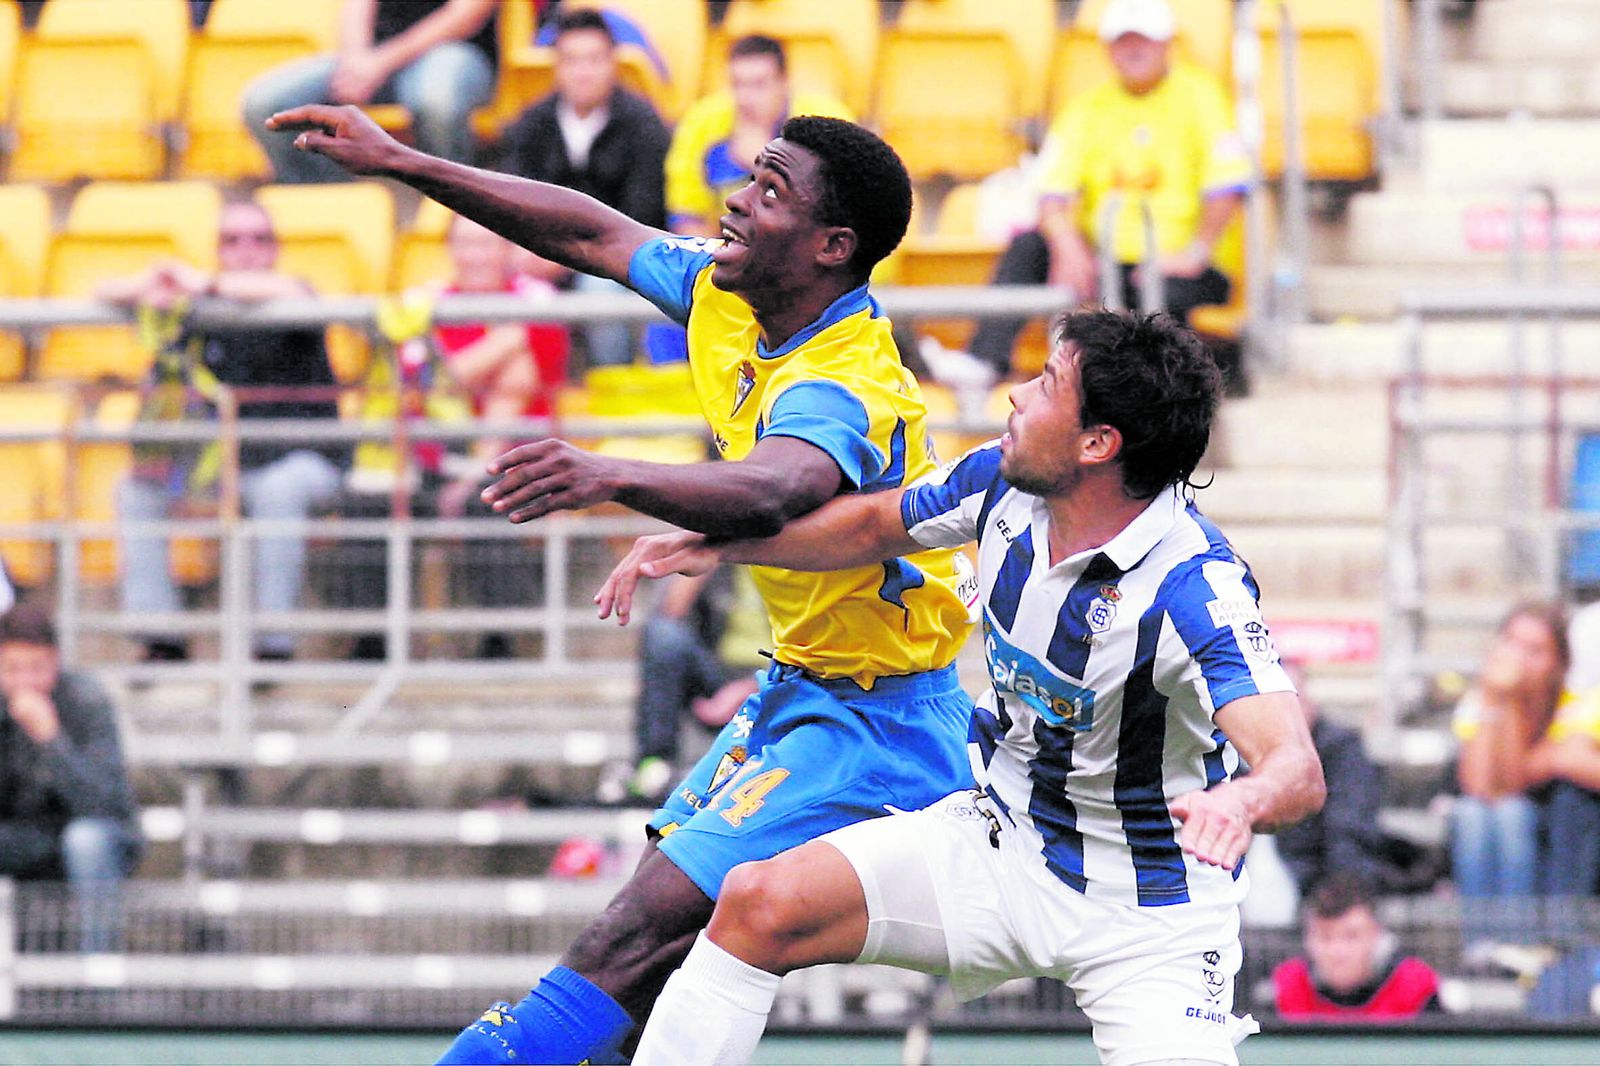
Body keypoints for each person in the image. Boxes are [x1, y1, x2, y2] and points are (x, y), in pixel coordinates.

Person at [263, 104, 977, 1063]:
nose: (735, 200)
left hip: (881, 726)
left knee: (627, 945)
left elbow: (780, 484)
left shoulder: (846, 376)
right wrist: (402, 162)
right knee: (653, 970)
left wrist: (610, 476)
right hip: (801, 692)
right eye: (748, 175)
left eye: (770, 192)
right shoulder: (731, 293)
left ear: (829, 246)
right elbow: (590, 230)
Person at [605, 309, 1327, 1066]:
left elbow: (1295, 768)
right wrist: (720, 542)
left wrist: (1239, 801)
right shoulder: (1003, 483)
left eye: (1046, 383)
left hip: (1147, 919)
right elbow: (870, 527)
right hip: (998, 844)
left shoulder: (1194, 589)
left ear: (1096, 443)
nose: (1016, 396)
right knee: (757, 904)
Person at [99, 202, 345, 663]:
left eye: (258, 239)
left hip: (301, 463)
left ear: (276, 248)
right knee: (137, 491)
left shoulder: (289, 291)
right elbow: (102, 290)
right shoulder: (197, 308)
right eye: (232, 240)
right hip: (216, 465)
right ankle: (161, 638)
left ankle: (272, 644)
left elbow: (296, 296)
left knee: (279, 489)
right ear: (217, 250)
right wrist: (160, 279)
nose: (246, 249)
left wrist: (203, 285)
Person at [953, 0, 1250, 382]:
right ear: (1108, 48)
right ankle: (984, 361)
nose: (1133, 49)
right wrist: (1066, 243)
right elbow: (1050, 187)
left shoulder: (1202, 98)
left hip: (1182, 266)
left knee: (1163, 301)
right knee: (1029, 246)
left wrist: (1195, 251)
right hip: (1107, 260)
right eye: (1123, 41)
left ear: (1166, 43)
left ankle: (1157, 394)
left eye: (1143, 39)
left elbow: (1227, 183)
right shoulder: (1087, 108)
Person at [502, 7, 672, 369]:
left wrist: (561, 259)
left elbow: (641, 222)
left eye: (594, 59)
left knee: (600, 293)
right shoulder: (530, 126)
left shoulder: (645, 128)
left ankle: (608, 399)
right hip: (543, 261)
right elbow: (512, 204)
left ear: (613, 63)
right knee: (504, 282)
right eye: (572, 60)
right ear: (555, 67)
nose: (583, 72)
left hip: (618, 269)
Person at [0, 602, 142, 952]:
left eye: (37, 667)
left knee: (86, 839)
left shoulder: (86, 701)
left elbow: (102, 803)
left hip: (87, 835)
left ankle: (97, 982)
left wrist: (51, 740)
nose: (26, 681)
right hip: (21, 836)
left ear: (56, 660)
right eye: (13, 669)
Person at [243, 0, 497, 183]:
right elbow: (356, 7)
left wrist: (378, 64)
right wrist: (356, 63)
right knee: (266, 103)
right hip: (373, 58)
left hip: (454, 52)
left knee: (436, 100)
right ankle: (333, 203)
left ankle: (451, 203)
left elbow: (466, 15)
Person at [606, 565, 771, 806]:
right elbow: (671, 612)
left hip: (782, 678)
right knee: (663, 634)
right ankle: (655, 765)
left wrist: (752, 686)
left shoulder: (804, 562)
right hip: (718, 675)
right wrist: (707, 549)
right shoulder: (724, 559)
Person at [666, 34, 852, 239]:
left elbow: (837, 217)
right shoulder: (701, 123)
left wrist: (766, 170)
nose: (745, 98)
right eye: (737, 84)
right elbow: (687, 216)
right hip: (728, 250)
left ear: (784, 81)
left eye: (759, 84)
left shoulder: (828, 126)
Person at [1275, 660, 1435, 896]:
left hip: (1314, 885)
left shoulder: (1341, 748)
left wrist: (1340, 895)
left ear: (1310, 703)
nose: (1281, 714)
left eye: (1290, 701)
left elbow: (1348, 832)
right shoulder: (1227, 752)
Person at [1450, 603, 1568, 905]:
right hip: (1494, 826)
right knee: (1472, 814)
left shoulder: (1575, 706)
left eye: (1535, 650)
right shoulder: (1479, 701)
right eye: (1511, 643)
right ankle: (1481, 948)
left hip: (1560, 836)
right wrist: (1494, 698)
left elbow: (1514, 782)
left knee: (1513, 814)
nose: (1518, 658)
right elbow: (1479, 787)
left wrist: (1510, 700)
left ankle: (1518, 942)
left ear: (1559, 662)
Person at [1273, 873, 1440, 1020]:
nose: (1338, 952)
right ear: (1308, 939)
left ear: (1377, 935)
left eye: (1351, 936)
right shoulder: (1288, 986)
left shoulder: (1413, 985)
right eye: (1325, 937)